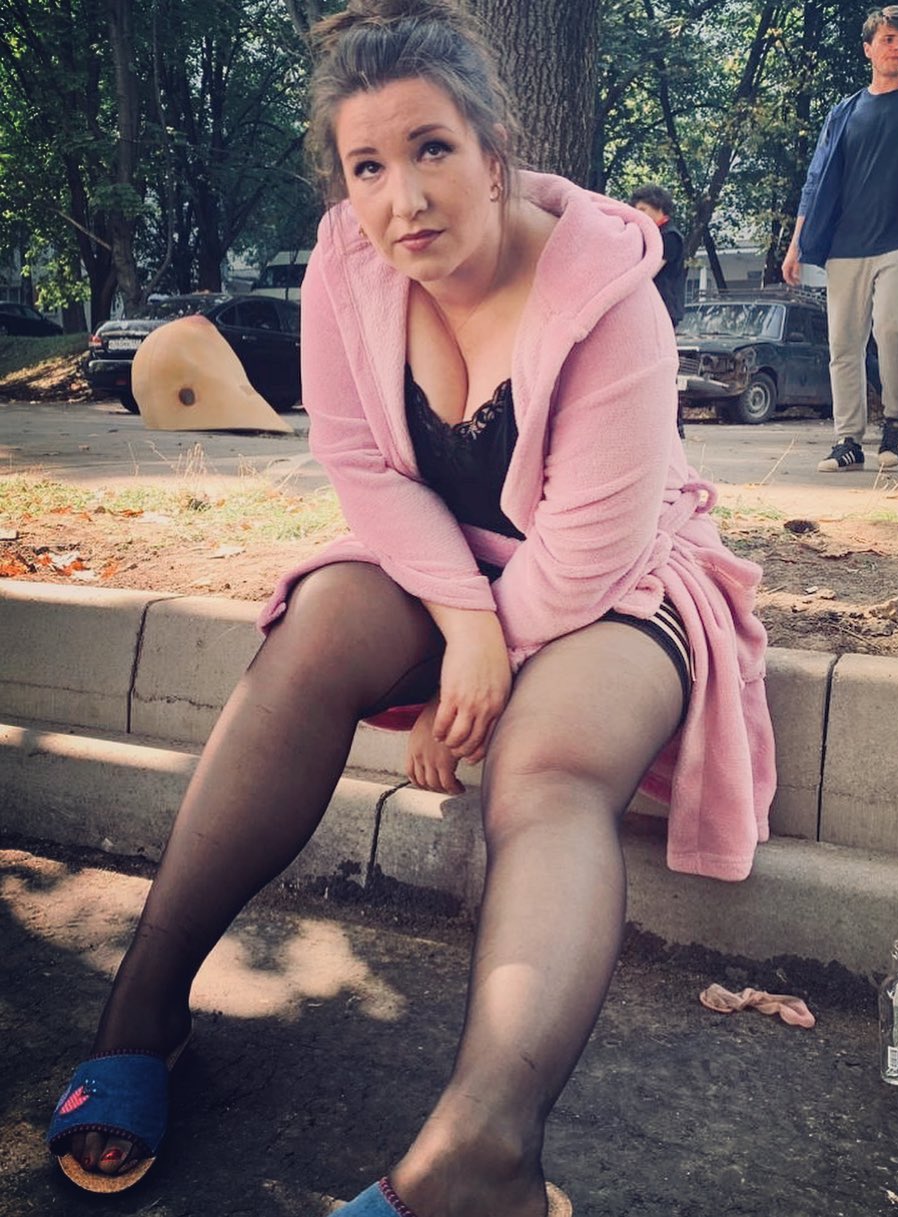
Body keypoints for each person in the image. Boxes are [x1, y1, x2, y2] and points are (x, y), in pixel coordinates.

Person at [46, 2, 776, 1213]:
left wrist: (483, 675)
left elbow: (585, 554)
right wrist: (465, 631)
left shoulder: (612, 299)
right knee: (319, 622)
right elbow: (362, 465)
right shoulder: (347, 262)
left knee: (544, 764)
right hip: (446, 567)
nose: (404, 198)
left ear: (493, 153)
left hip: (616, 580)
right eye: (368, 166)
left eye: (431, 148)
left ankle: (483, 1157)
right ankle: (144, 1011)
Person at [782, 5, 898, 473]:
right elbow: (815, 181)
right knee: (844, 344)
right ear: (868, 49)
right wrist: (796, 243)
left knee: (893, 327)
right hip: (845, 245)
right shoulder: (844, 112)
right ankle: (847, 439)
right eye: (888, 39)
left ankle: (896, 419)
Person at [630, 182, 688, 436]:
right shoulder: (653, 236)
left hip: (664, 309)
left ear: (659, 207)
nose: (639, 215)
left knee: (662, 364)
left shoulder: (669, 237)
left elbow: (649, 270)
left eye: (643, 209)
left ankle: (674, 422)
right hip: (651, 309)